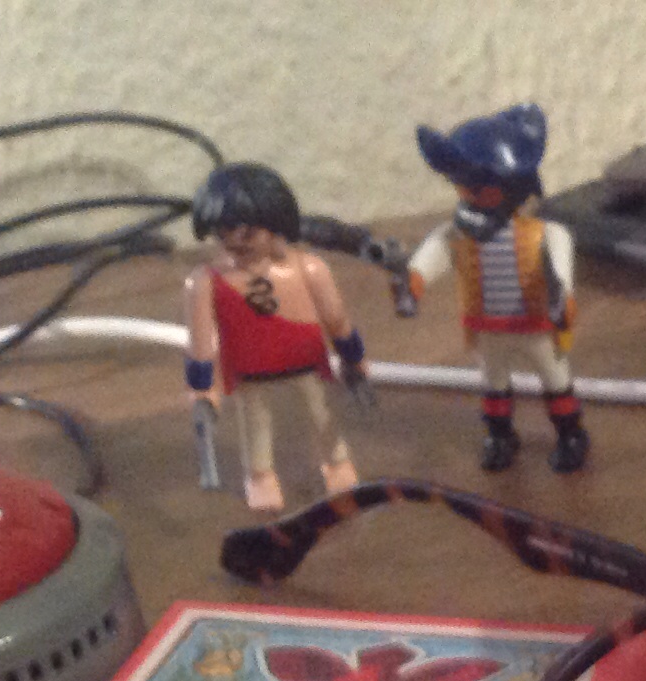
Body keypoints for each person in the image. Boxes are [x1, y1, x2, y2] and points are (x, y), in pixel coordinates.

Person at [407, 105, 589, 474]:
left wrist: (564, 298)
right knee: (493, 385)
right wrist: (413, 279)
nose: (466, 195)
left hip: (537, 326)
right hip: (487, 328)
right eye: (462, 186)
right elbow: (432, 255)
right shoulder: (458, 236)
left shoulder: (547, 234)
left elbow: (560, 272)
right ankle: (500, 436)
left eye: (477, 188)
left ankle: (571, 434)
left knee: (556, 380)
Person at [183, 163, 367, 512]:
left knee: (322, 414)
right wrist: (202, 387)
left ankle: (336, 462)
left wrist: (353, 357)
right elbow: (201, 343)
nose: (235, 240)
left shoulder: (308, 268)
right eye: (225, 231)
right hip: (250, 372)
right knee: (256, 425)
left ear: (274, 222)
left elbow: (337, 319)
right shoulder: (205, 282)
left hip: (307, 363)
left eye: (248, 231)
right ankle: (260, 476)